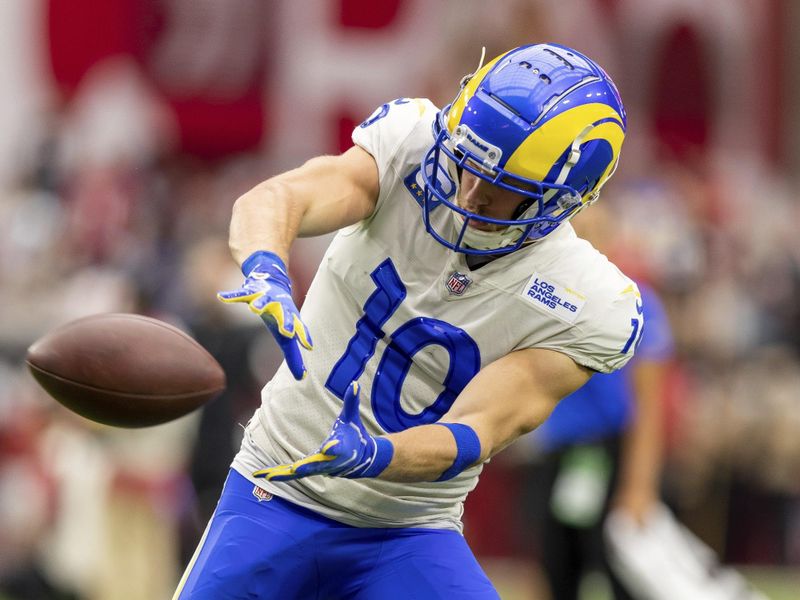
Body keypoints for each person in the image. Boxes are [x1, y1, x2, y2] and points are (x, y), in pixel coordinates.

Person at [173, 43, 640, 599]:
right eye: (468, 163)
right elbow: (282, 196)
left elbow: (477, 429)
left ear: (563, 200)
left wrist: (377, 454)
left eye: (499, 189)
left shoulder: (586, 297)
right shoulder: (411, 146)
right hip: (273, 490)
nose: (469, 192)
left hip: (409, 531)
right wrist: (264, 264)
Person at [519, 279, 673, 600]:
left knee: (622, 571)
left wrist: (639, 484)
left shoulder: (634, 297)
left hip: (609, 451)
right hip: (559, 452)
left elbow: (648, 403)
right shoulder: (547, 288)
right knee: (556, 567)